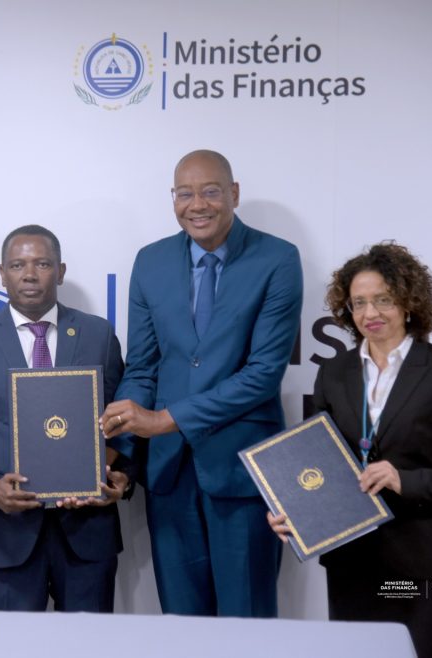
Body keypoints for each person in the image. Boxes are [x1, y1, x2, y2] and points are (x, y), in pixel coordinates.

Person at [268, 242, 432, 657]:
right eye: (359, 303)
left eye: (383, 300)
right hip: (349, 558)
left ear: (408, 303)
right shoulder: (333, 372)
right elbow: (315, 459)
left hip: (417, 560)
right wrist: (291, 508)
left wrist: (404, 480)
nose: (370, 313)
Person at [100, 149, 303, 617]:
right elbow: (142, 368)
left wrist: (166, 419)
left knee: (247, 622)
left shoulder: (277, 258)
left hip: (243, 471)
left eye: (210, 192)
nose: (197, 205)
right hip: (169, 474)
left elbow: (263, 374)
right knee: (182, 624)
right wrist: (115, 457)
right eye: (184, 194)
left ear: (234, 194)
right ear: (172, 198)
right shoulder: (150, 261)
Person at [0, 225, 129, 612]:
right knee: (12, 643)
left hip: (87, 531)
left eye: (42, 264)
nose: (29, 274)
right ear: (2, 273)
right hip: (8, 533)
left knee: (89, 642)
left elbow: (122, 421)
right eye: (18, 265)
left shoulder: (97, 334)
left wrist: (118, 473)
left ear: (60, 271)